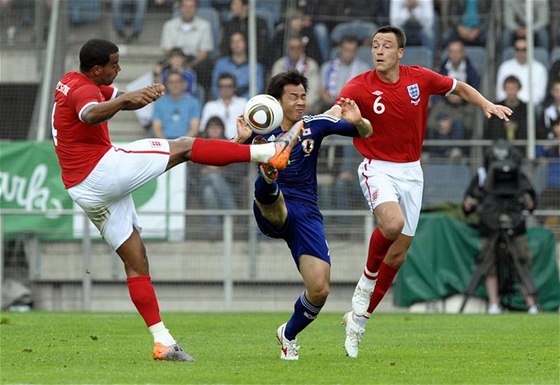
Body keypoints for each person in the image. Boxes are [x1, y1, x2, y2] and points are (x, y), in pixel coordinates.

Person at [51, 39, 302, 363]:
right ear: (97, 69)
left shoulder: (75, 81)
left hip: (81, 188)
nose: (119, 69)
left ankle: (162, 342)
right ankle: (269, 152)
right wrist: (128, 97)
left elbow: (114, 102)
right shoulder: (85, 93)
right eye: (115, 64)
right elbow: (90, 114)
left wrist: (134, 97)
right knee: (183, 145)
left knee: (136, 260)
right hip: (99, 170)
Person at [336, 25, 512, 358]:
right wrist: (320, 124)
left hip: (411, 172)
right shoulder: (358, 86)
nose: (379, 50)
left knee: (399, 254)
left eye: (386, 45)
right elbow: (336, 112)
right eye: (375, 45)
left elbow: (459, 87)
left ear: (400, 52)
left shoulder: (420, 78)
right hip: (377, 166)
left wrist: (485, 103)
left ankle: (358, 321)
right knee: (391, 224)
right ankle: (364, 286)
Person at [232, 70, 372, 360]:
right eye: (293, 97)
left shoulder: (314, 125)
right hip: (273, 207)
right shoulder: (260, 130)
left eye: (303, 96)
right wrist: (239, 140)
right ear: (276, 101)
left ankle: (288, 334)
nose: (300, 102)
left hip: (307, 213)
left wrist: (358, 120)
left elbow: (365, 132)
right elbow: (225, 156)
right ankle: (270, 177)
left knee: (320, 289)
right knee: (273, 194)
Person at [462, 141, 539, 315]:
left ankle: (531, 304)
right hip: (490, 225)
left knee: (522, 261)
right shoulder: (482, 175)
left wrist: (528, 201)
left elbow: (531, 200)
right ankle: (493, 304)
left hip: (515, 223)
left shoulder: (519, 175)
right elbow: (468, 200)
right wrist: (470, 203)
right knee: (488, 264)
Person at [198, 116, 238, 238]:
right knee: (212, 178)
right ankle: (232, 209)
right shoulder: (198, 145)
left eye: (217, 127)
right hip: (202, 181)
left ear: (222, 129)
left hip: (229, 186)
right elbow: (193, 170)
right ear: (207, 130)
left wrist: (221, 172)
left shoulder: (232, 145)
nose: (214, 130)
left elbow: (238, 171)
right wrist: (204, 170)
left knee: (209, 192)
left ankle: (213, 230)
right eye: (211, 127)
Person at [160, 0, 214, 90]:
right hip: (174, 58)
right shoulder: (169, 25)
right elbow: (167, 50)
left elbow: (204, 53)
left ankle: (201, 95)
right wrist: (177, 63)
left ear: (196, 9)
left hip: (195, 61)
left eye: (191, 7)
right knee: (159, 68)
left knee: (206, 66)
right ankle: (165, 97)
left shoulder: (205, 26)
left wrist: (187, 66)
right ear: (180, 8)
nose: (188, 10)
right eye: (185, 6)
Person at [316, 35, 370, 113]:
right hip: (330, 106)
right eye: (346, 50)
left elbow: (364, 93)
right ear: (340, 49)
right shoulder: (327, 67)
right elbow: (322, 91)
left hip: (353, 108)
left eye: (352, 51)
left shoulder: (364, 69)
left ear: (356, 51)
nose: (349, 54)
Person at [271, 36, 320, 112]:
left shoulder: (311, 65)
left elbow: (314, 91)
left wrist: (302, 104)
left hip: (306, 108)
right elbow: (276, 89)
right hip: (284, 108)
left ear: (303, 49)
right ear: (288, 49)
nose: (295, 51)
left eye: (298, 48)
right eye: (292, 48)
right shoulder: (279, 65)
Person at [210, 31, 264, 99]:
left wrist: (240, 102)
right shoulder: (221, 64)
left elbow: (257, 89)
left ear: (246, 43)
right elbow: (214, 87)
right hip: (223, 103)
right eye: (233, 42)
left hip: (246, 104)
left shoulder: (256, 66)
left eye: (239, 41)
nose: (236, 44)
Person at [495, 37, 548, 106]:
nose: (521, 52)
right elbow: (500, 92)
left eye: (524, 49)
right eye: (518, 49)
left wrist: (521, 103)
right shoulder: (504, 67)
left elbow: (539, 95)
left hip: (530, 106)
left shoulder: (540, 68)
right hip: (507, 104)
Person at [151, 69, 201, 139]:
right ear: (167, 85)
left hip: (186, 143)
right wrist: (169, 144)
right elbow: (156, 129)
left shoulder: (193, 102)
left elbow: (194, 129)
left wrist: (180, 143)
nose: (174, 85)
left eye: (177, 81)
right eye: (171, 82)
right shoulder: (159, 103)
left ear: (184, 84)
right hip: (165, 143)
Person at [219, 0, 270, 66]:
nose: (232, 7)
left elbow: (262, 49)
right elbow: (224, 47)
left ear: (245, 6)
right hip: (231, 63)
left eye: (235, 4)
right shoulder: (229, 25)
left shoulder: (260, 24)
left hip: (253, 63)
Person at [200, 73, 246, 139]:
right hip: (217, 144)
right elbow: (203, 129)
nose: (226, 89)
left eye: (229, 86)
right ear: (218, 88)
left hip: (239, 143)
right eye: (222, 86)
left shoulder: (243, 103)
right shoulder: (210, 106)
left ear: (235, 87)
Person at [485, 75, 528, 142]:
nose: (511, 92)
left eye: (514, 88)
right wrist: (503, 126)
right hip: (499, 145)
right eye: (509, 88)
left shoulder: (526, 108)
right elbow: (490, 129)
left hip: (521, 145)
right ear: (504, 89)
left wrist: (517, 126)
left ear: (519, 89)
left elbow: (531, 129)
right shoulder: (496, 107)